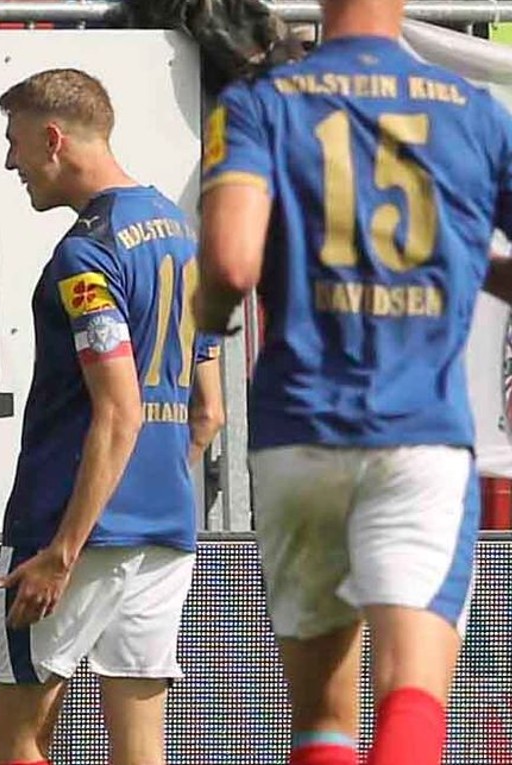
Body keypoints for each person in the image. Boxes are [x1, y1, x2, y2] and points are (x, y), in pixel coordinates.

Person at [194, 1, 512, 762]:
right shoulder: (475, 112)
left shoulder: (258, 104)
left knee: (321, 719)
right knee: (411, 688)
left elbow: (232, 263)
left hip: (297, 429)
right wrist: (466, 268)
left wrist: (209, 314)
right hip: (421, 434)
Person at [0, 68, 224, 765]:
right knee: (140, 745)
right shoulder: (179, 232)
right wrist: (156, 483)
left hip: (73, 530)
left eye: (16, 142)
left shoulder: (87, 253)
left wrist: (62, 550)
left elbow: (117, 409)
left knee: (17, 737)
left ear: (54, 138)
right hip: (164, 527)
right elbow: (207, 411)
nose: (11, 162)